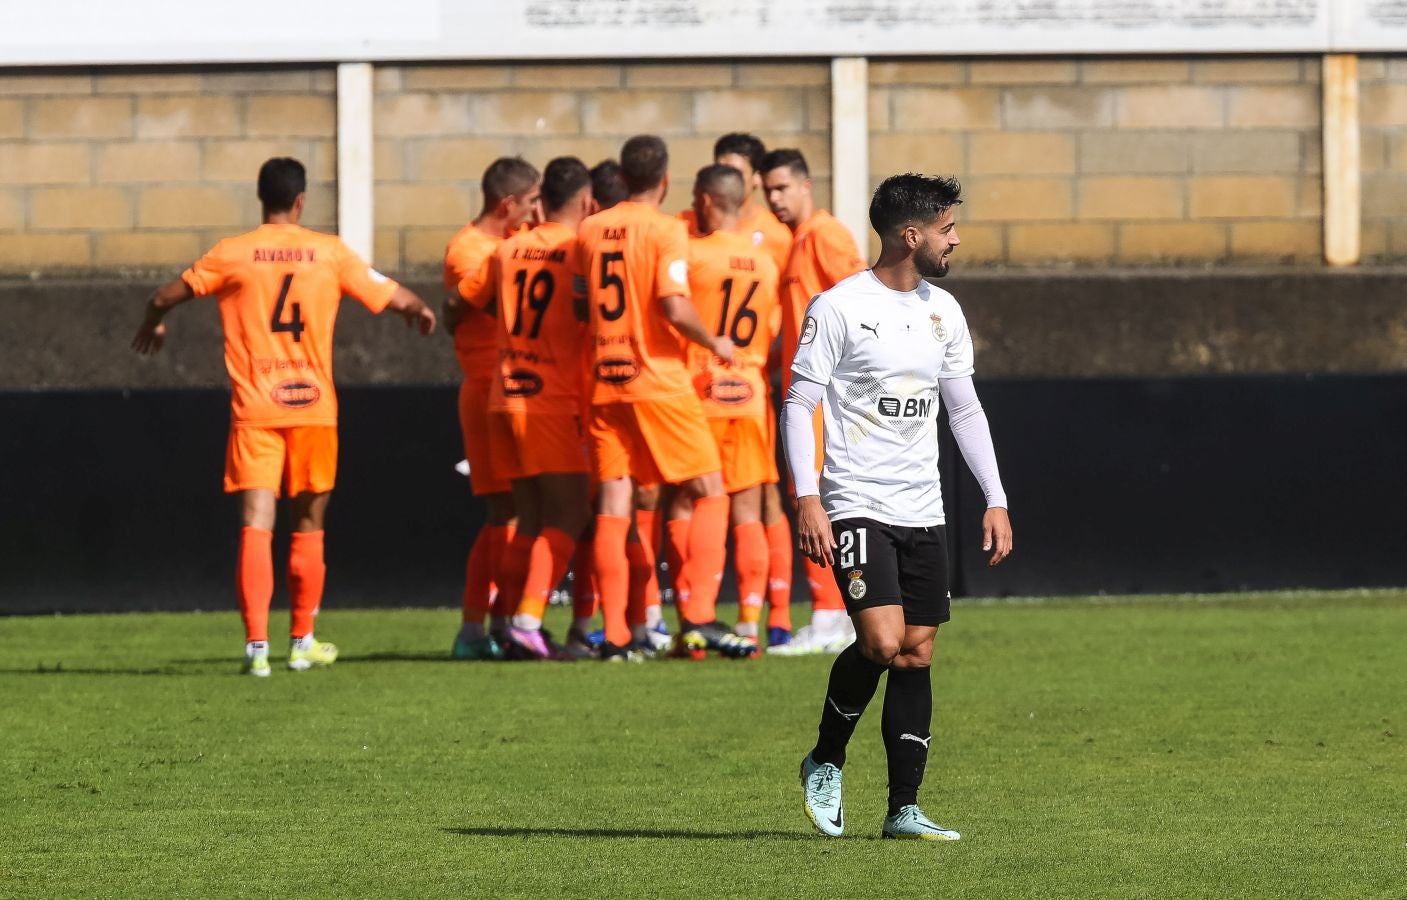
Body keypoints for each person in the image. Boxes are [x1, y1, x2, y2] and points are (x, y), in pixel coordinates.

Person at [131, 157, 436, 677]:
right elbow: (386, 291)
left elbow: (164, 295)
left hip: (256, 409)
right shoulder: (329, 252)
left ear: (261, 197)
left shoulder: (234, 253)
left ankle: (256, 650)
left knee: (256, 524)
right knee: (309, 524)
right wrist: (417, 309)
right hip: (313, 408)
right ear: (301, 200)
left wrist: (154, 323)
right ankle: (302, 641)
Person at [785, 174, 1012, 839]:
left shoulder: (943, 310)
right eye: (946, 229)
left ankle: (902, 809)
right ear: (909, 235)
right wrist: (806, 497)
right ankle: (825, 758)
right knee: (881, 642)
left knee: (915, 652)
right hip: (855, 499)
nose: (956, 238)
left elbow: (962, 409)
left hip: (924, 507)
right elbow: (798, 404)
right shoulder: (837, 307)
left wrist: (993, 498)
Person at [573, 134, 736, 662]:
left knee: (616, 503)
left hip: (604, 378)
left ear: (621, 176)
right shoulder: (666, 230)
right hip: (658, 379)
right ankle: (700, 616)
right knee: (711, 488)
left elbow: (582, 303)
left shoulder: (590, 229)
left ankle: (616, 635)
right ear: (664, 180)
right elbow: (673, 304)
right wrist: (713, 340)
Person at [459, 156, 595, 660]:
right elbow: (588, 309)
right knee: (573, 513)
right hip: (551, 399)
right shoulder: (580, 249)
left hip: (505, 394)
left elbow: (466, 301)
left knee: (530, 519)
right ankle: (526, 620)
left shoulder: (507, 249)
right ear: (585, 201)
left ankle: (508, 624)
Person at [679, 133, 796, 649]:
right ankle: (750, 622)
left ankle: (693, 616)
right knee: (750, 512)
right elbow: (769, 331)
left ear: (707, 200)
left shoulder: (693, 255)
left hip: (700, 393)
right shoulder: (768, 263)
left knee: (690, 505)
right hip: (749, 394)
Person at [761, 148, 869, 655]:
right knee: (810, 495)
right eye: (767, 189)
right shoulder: (798, 240)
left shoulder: (825, 233)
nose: (773, 198)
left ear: (806, 186)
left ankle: (832, 614)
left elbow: (862, 298)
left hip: (823, 395)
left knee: (817, 497)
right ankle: (835, 612)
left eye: (781, 187)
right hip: (802, 394)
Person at [443, 158, 542, 661]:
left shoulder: (505, 246)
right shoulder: (470, 251)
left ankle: (491, 623)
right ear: (508, 204)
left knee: (515, 509)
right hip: (487, 389)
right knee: (503, 509)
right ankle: (477, 625)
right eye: (529, 204)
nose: (534, 214)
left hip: (516, 387)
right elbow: (493, 307)